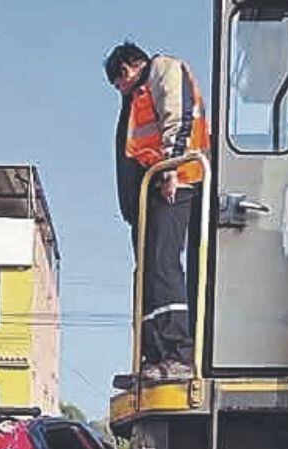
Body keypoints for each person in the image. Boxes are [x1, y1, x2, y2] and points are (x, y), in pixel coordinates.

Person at [105, 41, 210, 381]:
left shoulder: (164, 70)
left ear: (127, 69)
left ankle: (178, 353)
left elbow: (178, 119)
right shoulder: (138, 95)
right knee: (148, 270)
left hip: (175, 181)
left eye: (118, 83)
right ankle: (154, 354)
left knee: (164, 263)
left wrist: (171, 170)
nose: (119, 90)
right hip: (151, 189)